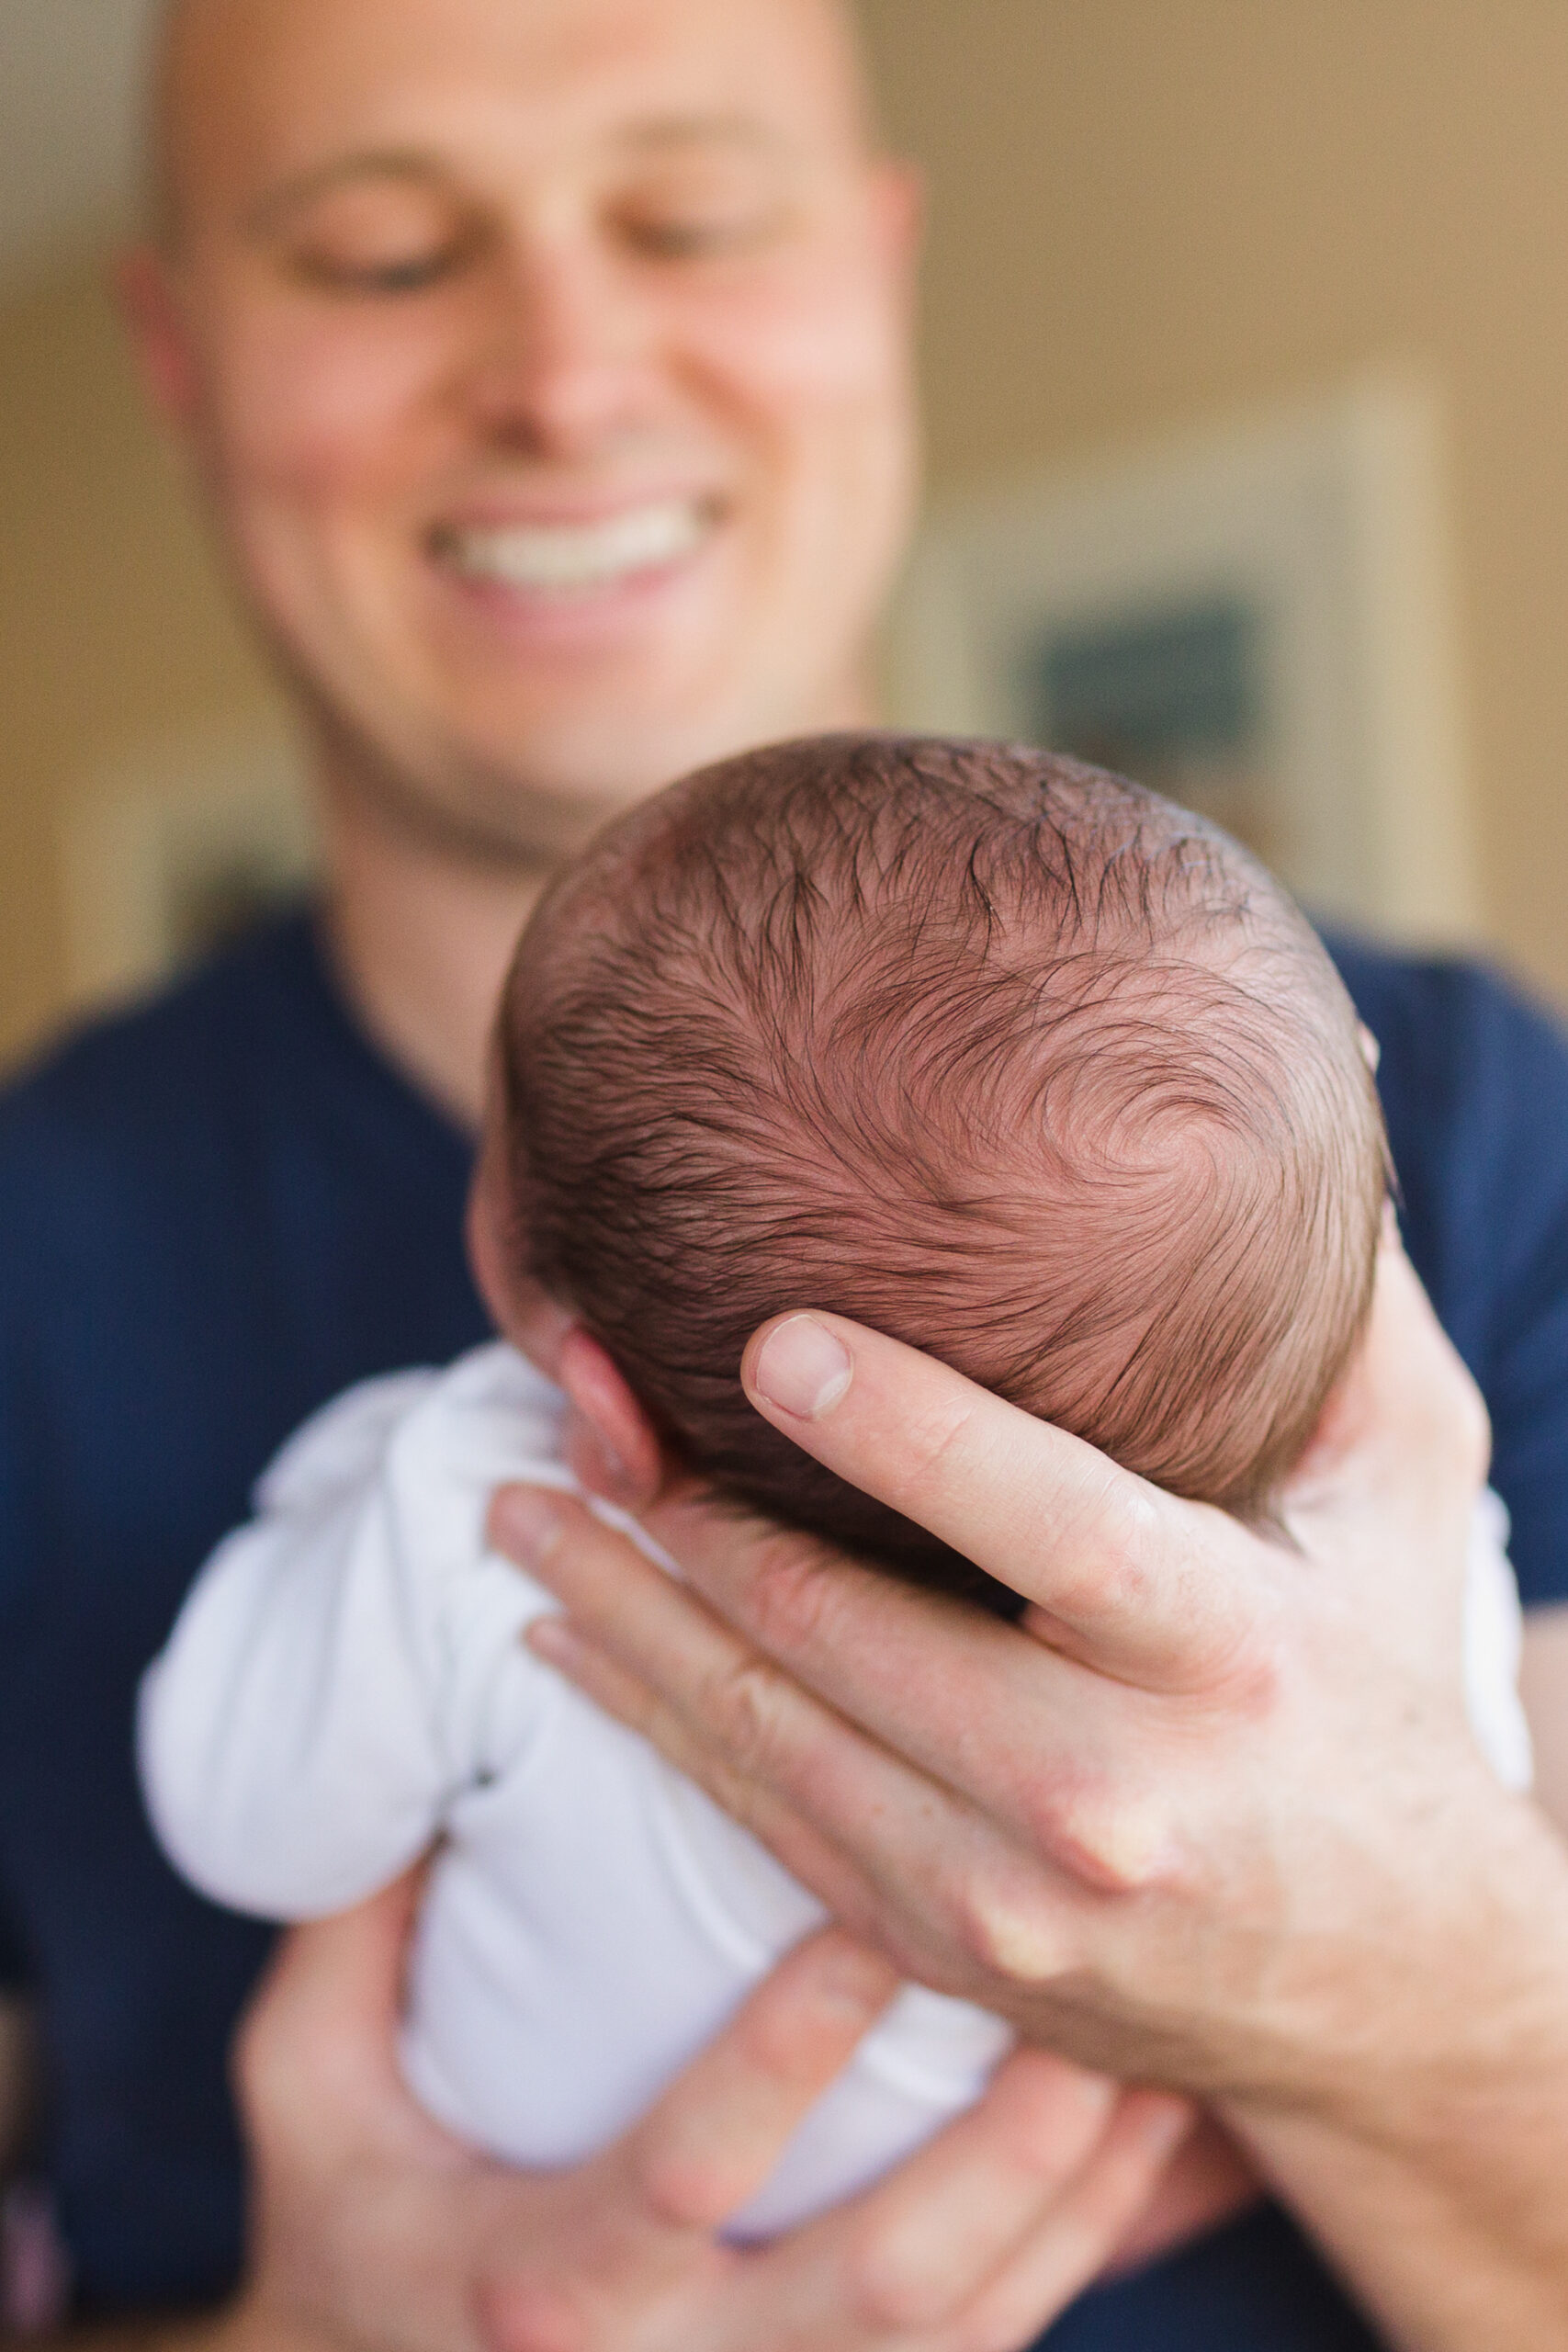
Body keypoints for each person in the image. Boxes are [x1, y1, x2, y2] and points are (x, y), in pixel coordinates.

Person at [0, 0, 1565, 2343]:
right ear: (180, 346)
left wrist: (1433, 2016)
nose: (564, 365)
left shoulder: (1455, 1112)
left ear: (869, 261)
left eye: (687, 216)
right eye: (386, 250)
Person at [137, 739, 1532, 2257]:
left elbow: (241, 1821)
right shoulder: (1388, 1592)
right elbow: (1486, 1788)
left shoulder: (488, 1502)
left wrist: (387, 1470)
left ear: (569, 1357)